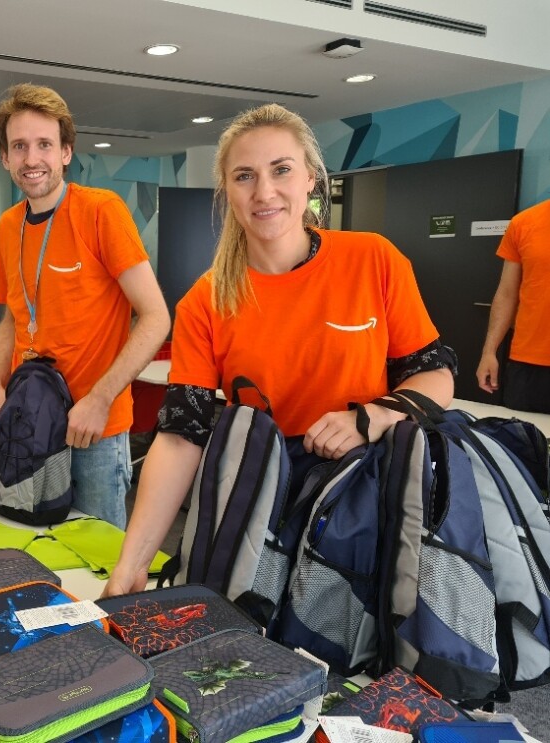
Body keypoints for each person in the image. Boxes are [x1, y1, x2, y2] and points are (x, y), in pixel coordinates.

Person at [104, 103, 456, 596]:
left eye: (282, 170)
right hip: (262, 509)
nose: (264, 192)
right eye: (244, 176)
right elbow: (182, 436)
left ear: (311, 178)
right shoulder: (206, 300)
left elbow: (436, 375)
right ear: (227, 191)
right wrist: (132, 564)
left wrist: (371, 417)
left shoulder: (373, 259)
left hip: (364, 502)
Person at [0, 84, 170, 529]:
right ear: (5, 157)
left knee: (96, 555)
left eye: (44, 144)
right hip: (29, 418)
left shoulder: (101, 212)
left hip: (93, 429)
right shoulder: (7, 228)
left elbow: (156, 317)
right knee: (33, 542)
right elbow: (13, 316)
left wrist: (101, 400)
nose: (32, 158)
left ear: (66, 152)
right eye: (19, 146)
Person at [476, 198, 550, 412]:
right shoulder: (524, 223)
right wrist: (489, 351)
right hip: (530, 363)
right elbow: (507, 294)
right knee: (524, 431)